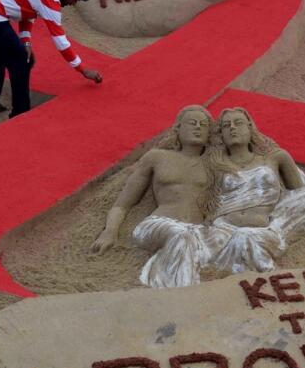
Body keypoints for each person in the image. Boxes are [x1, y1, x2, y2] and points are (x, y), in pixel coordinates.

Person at [89, 105, 215, 288]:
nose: (198, 127)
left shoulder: (215, 164)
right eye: (192, 123)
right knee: (181, 236)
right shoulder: (157, 157)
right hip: (158, 224)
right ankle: (180, 294)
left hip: (196, 230)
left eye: (203, 125)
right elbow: (122, 204)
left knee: (188, 238)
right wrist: (110, 231)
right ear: (178, 128)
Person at [203, 107, 305, 275]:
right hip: (221, 231)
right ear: (221, 134)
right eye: (226, 126)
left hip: (263, 231)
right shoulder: (213, 165)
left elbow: (303, 194)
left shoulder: (276, 158)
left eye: (238, 123)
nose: (232, 128)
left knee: (245, 237)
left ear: (250, 127)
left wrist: (283, 221)